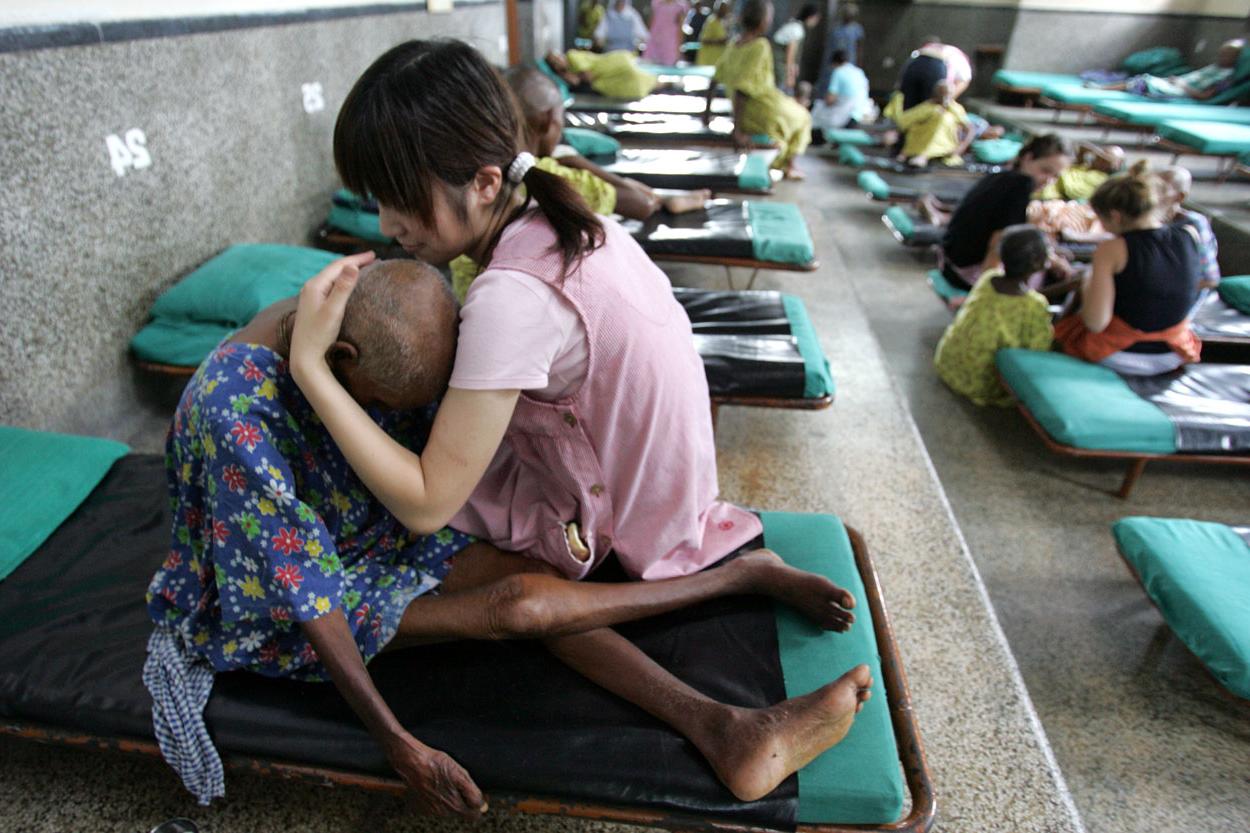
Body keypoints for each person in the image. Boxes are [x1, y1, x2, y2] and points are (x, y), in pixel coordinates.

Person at [292, 39, 873, 815]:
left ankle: (726, 720)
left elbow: (427, 501)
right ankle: (737, 586)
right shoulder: (556, 208)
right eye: (376, 199)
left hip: (621, 518)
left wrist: (309, 369)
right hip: (671, 480)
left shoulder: (511, 295)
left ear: (486, 180)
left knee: (455, 567)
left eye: (402, 199)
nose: (389, 223)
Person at [150, 257, 871, 812]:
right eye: (386, 406)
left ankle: (726, 728)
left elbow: (424, 463)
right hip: (272, 594)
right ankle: (734, 581)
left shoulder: (338, 310)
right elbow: (305, 592)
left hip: (371, 519)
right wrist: (399, 743)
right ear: (340, 371)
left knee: (529, 575)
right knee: (518, 606)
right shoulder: (234, 412)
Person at [449, 66, 711, 300]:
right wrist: (575, 159)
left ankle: (665, 199)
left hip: (471, 300)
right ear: (548, 120)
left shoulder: (478, 177)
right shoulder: (546, 175)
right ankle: (664, 199)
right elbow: (640, 205)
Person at [1055, 161, 1203, 374]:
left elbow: (1095, 323)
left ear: (1115, 216)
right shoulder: (1189, 234)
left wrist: (1089, 281)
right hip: (1174, 353)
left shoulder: (1112, 249)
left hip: (1122, 355)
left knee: (1063, 332)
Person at [934, 226, 1056, 406]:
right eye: (1049, 248)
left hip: (948, 362)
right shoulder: (1035, 305)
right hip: (979, 384)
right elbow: (1037, 350)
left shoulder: (988, 278)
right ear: (1038, 261)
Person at [940, 134, 1074, 290]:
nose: (1049, 180)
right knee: (1045, 277)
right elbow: (998, 245)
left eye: (1055, 176)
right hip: (964, 272)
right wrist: (986, 294)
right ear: (1028, 158)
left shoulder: (1002, 176)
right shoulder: (1021, 185)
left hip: (948, 261)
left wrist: (1050, 257)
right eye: (1045, 170)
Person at [707, 0, 812, 179]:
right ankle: (788, 165)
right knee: (803, 118)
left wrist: (706, 115)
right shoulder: (760, 45)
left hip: (746, 112)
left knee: (788, 118)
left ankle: (781, 157)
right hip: (761, 109)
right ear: (764, 21)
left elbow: (714, 80)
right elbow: (742, 90)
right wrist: (737, 130)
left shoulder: (734, 45)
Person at [1095, 39, 1242, 100]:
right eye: (1222, 54)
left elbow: (1204, 96)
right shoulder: (1215, 67)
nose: (1222, 57)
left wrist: (1182, 85)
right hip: (1178, 83)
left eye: (1227, 55)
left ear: (1236, 58)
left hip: (1183, 90)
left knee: (1144, 81)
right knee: (1143, 78)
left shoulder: (1227, 77)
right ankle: (1103, 87)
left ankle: (1101, 89)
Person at [1156, 165, 1220, 292]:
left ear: (1180, 197)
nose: (1152, 195)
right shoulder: (1147, 219)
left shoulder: (1194, 223)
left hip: (1184, 293)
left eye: (1161, 189)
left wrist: (1168, 293)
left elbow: (1211, 279)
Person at [887, 80, 974, 167]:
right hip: (920, 141)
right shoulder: (927, 106)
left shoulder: (955, 109)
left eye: (947, 93)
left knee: (943, 119)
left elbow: (969, 128)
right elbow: (904, 121)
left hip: (945, 144)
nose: (944, 96)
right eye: (942, 93)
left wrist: (961, 146)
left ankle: (923, 156)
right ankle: (912, 154)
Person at [545, 49, 659, 99]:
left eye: (557, 59)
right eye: (555, 64)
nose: (558, 63)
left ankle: (662, 84)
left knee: (638, 76)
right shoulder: (567, 72)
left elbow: (587, 76)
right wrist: (563, 74)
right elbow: (577, 81)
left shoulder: (572, 56)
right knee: (639, 80)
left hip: (610, 66)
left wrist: (573, 75)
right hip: (609, 79)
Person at [811, 49, 871, 135]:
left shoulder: (838, 72)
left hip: (845, 116)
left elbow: (830, 99)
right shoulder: (859, 71)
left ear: (834, 63)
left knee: (817, 108)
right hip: (860, 113)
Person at [772, 3, 820, 94]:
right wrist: (790, 76)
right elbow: (790, 54)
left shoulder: (795, 26)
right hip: (780, 66)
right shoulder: (797, 29)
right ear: (810, 17)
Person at [642, 0, 690, 65]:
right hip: (655, 41)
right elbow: (651, 23)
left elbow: (680, 28)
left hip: (670, 43)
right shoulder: (656, 3)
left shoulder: (680, 6)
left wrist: (679, 48)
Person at [696, 0, 732, 67]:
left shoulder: (722, 22)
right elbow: (703, 40)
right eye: (723, 9)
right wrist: (719, 41)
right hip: (707, 62)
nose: (726, 11)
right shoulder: (711, 21)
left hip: (716, 62)